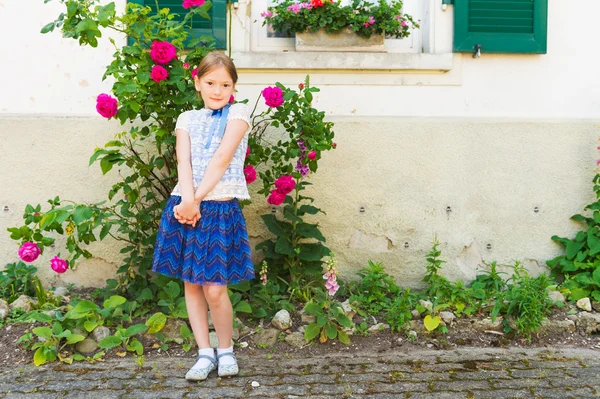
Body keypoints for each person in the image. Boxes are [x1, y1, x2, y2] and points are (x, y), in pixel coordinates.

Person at [151, 51, 255, 381]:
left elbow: (222, 159)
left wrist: (194, 199)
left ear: (234, 87)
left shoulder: (238, 114)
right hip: (184, 208)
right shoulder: (186, 119)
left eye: (225, 84)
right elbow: (184, 161)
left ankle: (225, 349)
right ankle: (204, 353)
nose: (217, 90)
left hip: (218, 208)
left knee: (214, 288)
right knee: (192, 285)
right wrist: (187, 201)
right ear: (197, 82)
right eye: (210, 83)